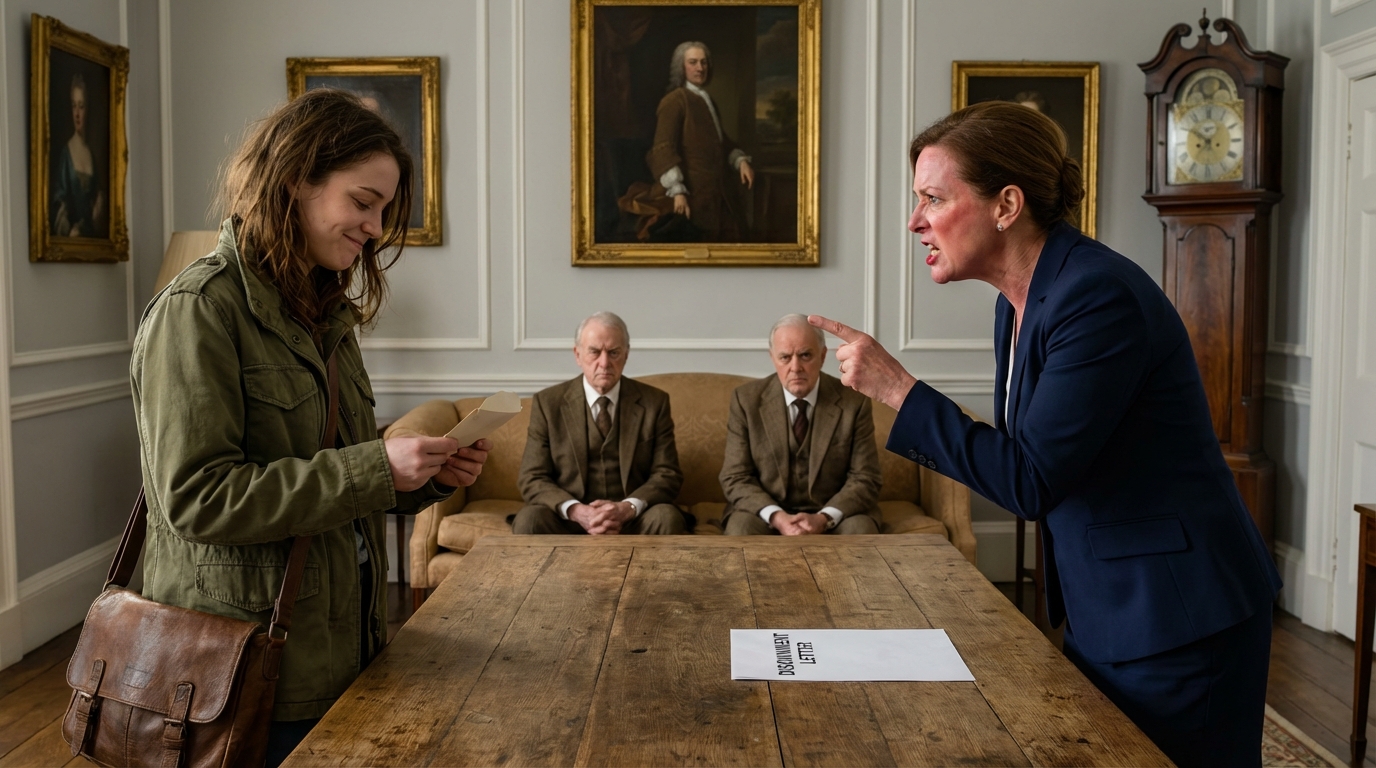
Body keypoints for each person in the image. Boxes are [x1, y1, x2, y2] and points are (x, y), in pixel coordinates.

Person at [810, 101, 1280, 766]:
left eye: (934, 199)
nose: (916, 221)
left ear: (1006, 204)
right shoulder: (1016, 304)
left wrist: (898, 389)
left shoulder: (1097, 297)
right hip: (1110, 606)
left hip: (1177, 615)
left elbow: (1029, 478)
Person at [131, 89, 490, 767]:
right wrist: (377, 467)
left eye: (384, 209)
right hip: (245, 676)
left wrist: (420, 479)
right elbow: (197, 499)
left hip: (344, 655)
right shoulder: (198, 311)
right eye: (362, 202)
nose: (376, 228)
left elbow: (336, 477)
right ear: (296, 181)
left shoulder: (325, 315)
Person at [513, 311, 687, 535]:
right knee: (530, 519)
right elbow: (532, 477)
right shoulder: (548, 403)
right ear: (578, 355)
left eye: (614, 353)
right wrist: (577, 511)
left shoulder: (655, 402)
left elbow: (667, 474)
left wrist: (627, 508)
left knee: (666, 517)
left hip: (633, 519)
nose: (604, 363)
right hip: (570, 520)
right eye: (594, 352)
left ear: (626, 354)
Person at [720, 314, 882, 536]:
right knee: (740, 528)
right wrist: (777, 517)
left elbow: (865, 477)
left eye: (805, 355)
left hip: (833, 512)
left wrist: (824, 518)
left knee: (861, 529)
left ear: (823, 356)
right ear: (772, 358)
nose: (796, 367)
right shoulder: (745, 400)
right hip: (766, 512)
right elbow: (735, 476)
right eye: (785, 357)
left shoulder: (854, 402)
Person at [626, 41, 754, 242]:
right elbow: (663, 149)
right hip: (691, 193)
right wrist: (677, 191)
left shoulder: (707, 100)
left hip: (716, 192)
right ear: (681, 67)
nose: (700, 68)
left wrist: (741, 161)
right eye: (693, 62)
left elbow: (720, 142)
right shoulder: (675, 100)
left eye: (703, 62)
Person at [51, 72, 105, 238]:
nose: (76, 113)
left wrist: (98, 207)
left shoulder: (90, 154)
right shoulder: (66, 154)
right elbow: (59, 203)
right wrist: (69, 231)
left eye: (81, 106)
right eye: (74, 105)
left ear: (87, 109)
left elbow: (97, 201)